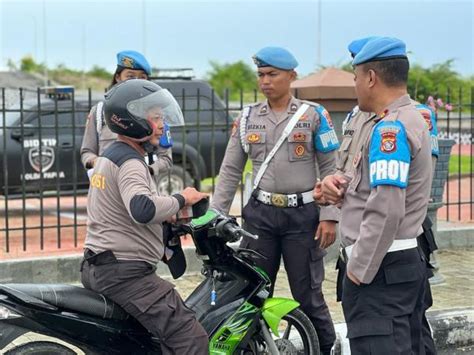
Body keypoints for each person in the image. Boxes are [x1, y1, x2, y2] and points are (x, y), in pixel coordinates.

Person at [210, 46, 340, 355]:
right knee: (251, 289)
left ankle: (323, 349)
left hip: (303, 216)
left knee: (307, 294)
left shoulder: (313, 115)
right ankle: (251, 348)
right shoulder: (247, 118)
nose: (265, 81)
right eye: (261, 75)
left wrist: (330, 215)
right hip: (260, 217)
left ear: (292, 76)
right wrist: (215, 214)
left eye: (273, 74)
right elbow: (230, 170)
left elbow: (331, 168)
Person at [317, 37, 432, 354]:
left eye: (355, 77)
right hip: (393, 264)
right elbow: (368, 190)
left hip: (380, 267)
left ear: (370, 77)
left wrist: (357, 271)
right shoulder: (397, 119)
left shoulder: (390, 129)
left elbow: (386, 210)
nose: (354, 85)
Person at [80, 79, 208, 354]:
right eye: (156, 116)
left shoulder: (109, 156)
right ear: (133, 120)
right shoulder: (130, 162)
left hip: (98, 265)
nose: (162, 124)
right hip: (125, 274)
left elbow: (121, 209)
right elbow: (142, 209)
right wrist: (182, 199)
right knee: (190, 336)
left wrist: (170, 215)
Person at [80, 50, 172, 180]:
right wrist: (96, 162)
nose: (136, 82)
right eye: (130, 76)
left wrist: (147, 169)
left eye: (142, 77)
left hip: (142, 186)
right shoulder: (100, 112)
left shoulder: (155, 114)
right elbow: (86, 152)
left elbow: (166, 159)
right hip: (108, 188)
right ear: (118, 78)